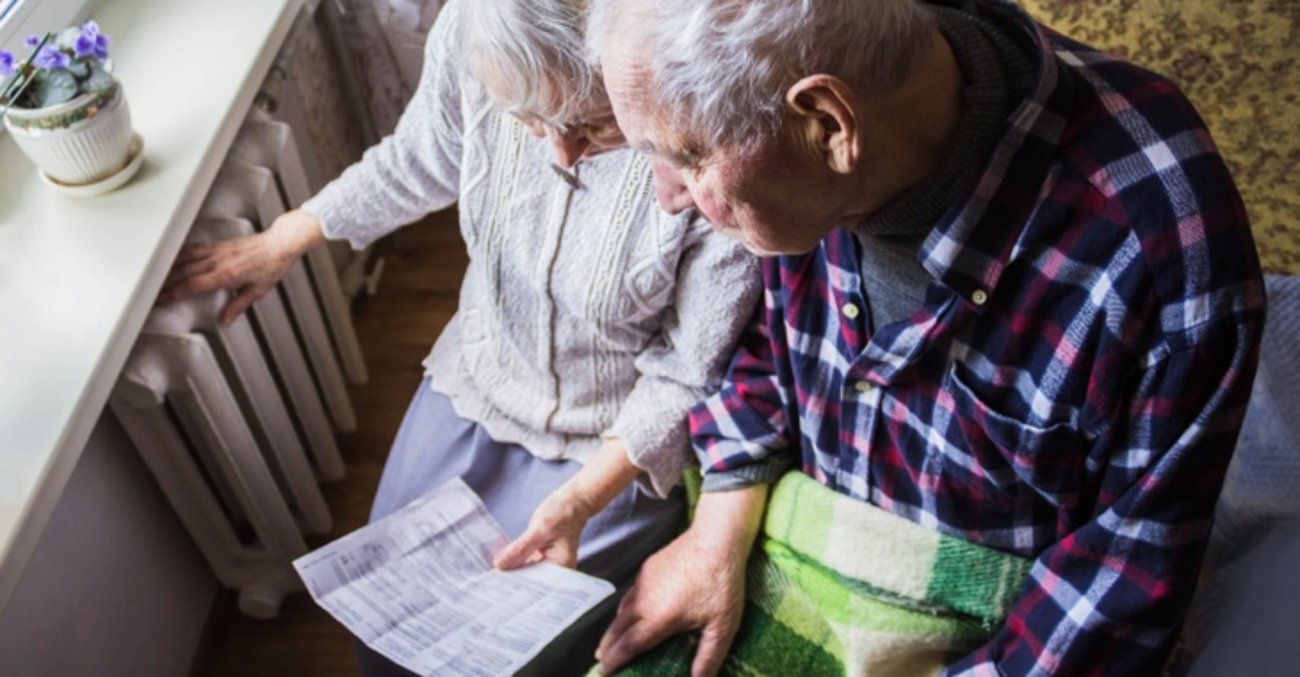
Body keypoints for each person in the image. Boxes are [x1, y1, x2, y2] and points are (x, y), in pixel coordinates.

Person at [584, 0, 1266, 674]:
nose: (669, 194)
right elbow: (761, 349)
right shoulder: (787, 149)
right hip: (786, 549)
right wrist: (714, 535)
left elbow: (1106, 612)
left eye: (688, 156)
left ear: (829, 124)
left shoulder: (1156, 252)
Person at [161, 0, 760, 673]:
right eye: (528, 120)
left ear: (633, 70)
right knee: (386, 624)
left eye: (591, 122)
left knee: (514, 655)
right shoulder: (473, 35)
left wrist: (583, 498)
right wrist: (287, 235)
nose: (559, 152)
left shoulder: (704, 150)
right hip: (477, 380)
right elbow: (420, 158)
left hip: (615, 442)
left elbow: (686, 373)